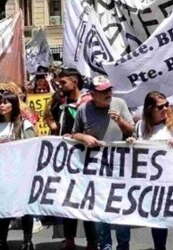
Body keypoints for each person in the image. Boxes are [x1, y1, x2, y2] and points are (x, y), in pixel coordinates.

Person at [71, 76, 135, 250]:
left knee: (120, 212)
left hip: (119, 167)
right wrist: (84, 137)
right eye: (103, 91)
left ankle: (123, 246)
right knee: (100, 212)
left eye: (109, 89)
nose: (108, 93)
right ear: (93, 94)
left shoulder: (120, 103)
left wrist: (120, 121)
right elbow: (73, 134)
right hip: (96, 169)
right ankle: (104, 246)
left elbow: (133, 131)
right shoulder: (84, 109)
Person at [127, 91, 173, 250]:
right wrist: (131, 142)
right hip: (153, 186)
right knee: (158, 225)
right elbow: (137, 151)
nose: (165, 108)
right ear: (150, 109)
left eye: (166, 104)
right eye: (160, 107)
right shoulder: (140, 126)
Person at [47, 68, 96, 250]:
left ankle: (92, 242)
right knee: (67, 200)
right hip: (65, 159)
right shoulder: (59, 102)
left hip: (86, 158)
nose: (59, 86)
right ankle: (69, 241)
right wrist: (53, 125)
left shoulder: (88, 103)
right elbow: (50, 118)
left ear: (74, 83)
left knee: (86, 202)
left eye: (63, 83)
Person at [0, 90, 36, 250]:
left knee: (25, 208)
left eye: (5, 102)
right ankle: (2, 240)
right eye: (0, 102)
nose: (2, 105)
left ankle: (27, 240)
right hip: (2, 175)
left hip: (20, 173)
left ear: (14, 104)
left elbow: (32, 148)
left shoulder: (24, 125)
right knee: (3, 207)